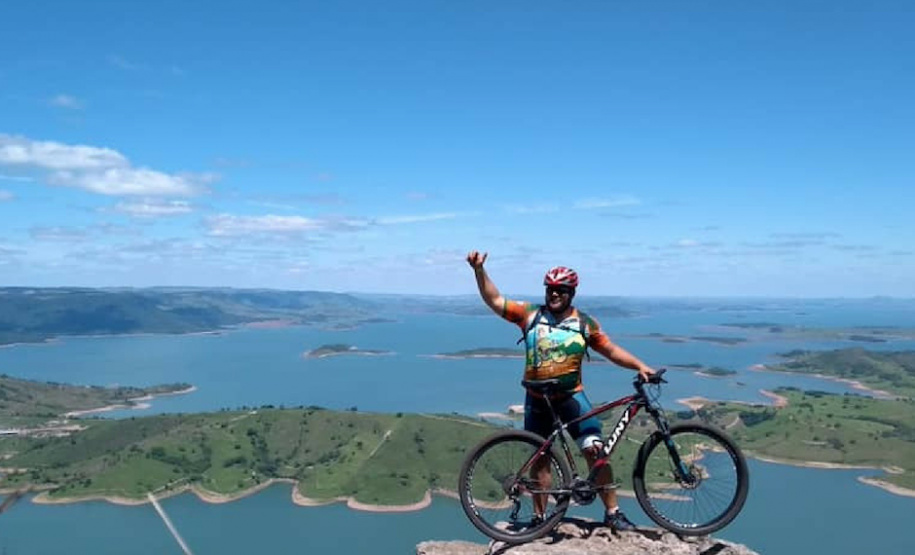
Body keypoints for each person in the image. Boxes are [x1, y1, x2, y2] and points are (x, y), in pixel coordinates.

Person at [466, 250, 656, 532]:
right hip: (536, 400)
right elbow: (495, 300)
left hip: (571, 398)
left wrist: (640, 366)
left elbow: (611, 350)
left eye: (560, 290)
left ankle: (613, 513)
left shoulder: (584, 324)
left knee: (596, 451)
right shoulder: (530, 315)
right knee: (540, 459)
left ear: (571, 293)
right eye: (550, 289)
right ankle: (540, 519)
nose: (554, 294)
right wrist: (479, 271)